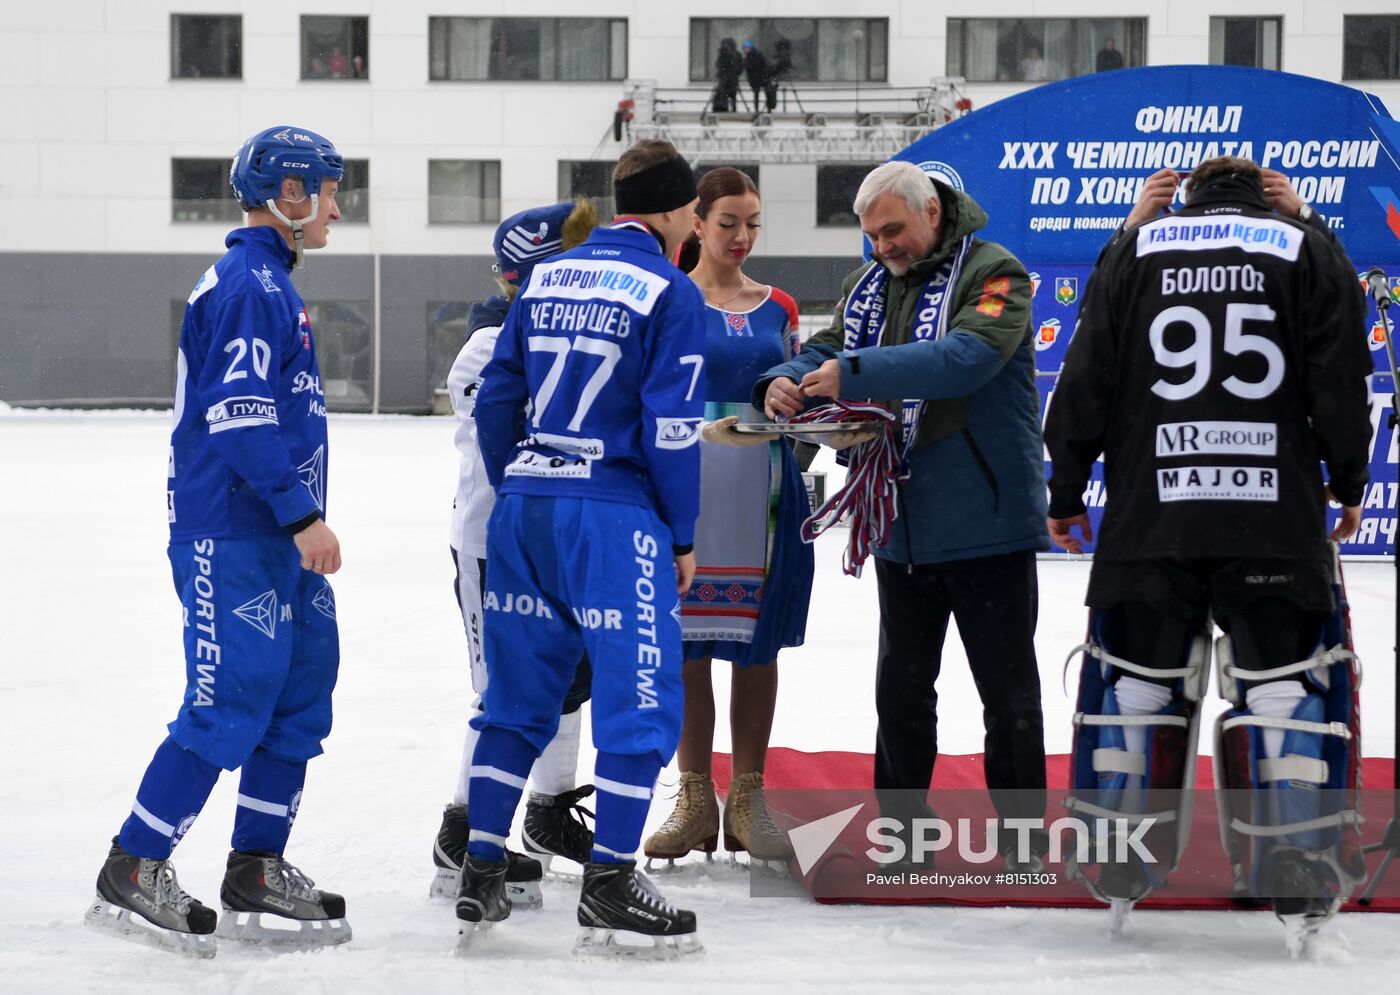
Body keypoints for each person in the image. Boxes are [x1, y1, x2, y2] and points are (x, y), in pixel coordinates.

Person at [1044, 155, 1371, 949]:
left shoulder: (1141, 248)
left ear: (1183, 197)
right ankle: (1296, 865)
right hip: (1274, 517)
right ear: (1269, 197)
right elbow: (1342, 373)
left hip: (1152, 517)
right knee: (1284, 693)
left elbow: (1082, 376)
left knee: (1137, 693)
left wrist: (1064, 487)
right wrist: (1350, 478)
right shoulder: (1301, 246)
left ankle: (1119, 860)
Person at [85, 126, 351, 957]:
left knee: (301, 689)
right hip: (233, 532)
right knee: (229, 697)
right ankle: (136, 859)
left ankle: (256, 864)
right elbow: (239, 415)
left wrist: (297, 519)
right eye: (329, 189)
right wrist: (301, 514)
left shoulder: (271, 282)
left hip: (274, 532)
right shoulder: (247, 285)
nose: (339, 206)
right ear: (290, 196)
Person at [756, 160, 1050, 871]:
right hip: (899, 523)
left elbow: (967, 357)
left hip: (986, 520)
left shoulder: (995, 270)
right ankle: (902, 834)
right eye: (871, 234)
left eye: (893, 230)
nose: (882, 245)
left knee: (1006, 693)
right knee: (901, 691)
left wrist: (856, 374)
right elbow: (829, 348)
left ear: (934, 213)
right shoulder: (871, 285)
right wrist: (782, 381)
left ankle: (1023, 841)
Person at [455, 139, 707, 958]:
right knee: (639, 699)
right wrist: (682, 531)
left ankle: (483, 864)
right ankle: (609, 880)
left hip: (525, 507)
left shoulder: (545, 276)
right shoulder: (670, 290)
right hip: (613, 512)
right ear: (676, 212)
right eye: (695, 213)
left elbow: (498, 397)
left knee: (516, 700)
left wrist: (527, 476)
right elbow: (673, 430)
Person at [431, 198, 602, 907]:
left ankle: (548, 807)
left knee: (567, 676)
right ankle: (461, 831)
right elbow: (515, 446)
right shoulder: (488, 345)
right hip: (493, 543)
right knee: (503, 691)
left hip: (555, 537)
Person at [642, 167, 814, 865]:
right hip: (686, 482)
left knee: (757, 642)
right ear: (698, 222)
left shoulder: (779, 307)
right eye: (727, 223)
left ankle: (747, 798)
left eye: (752, 224)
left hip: (763, 485)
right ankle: (692, 798)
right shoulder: (668, 298)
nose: (741, 237)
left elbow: (804, 396)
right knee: (684, 643)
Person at [712, 37, 742, 112]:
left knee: (725, 94)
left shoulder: (727, 54)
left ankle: (724, 108)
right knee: (730, 95)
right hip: (730, 79)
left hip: (727, 79)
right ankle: (727, 108)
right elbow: (740, 66)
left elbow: (718, 65)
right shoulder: (735, 54)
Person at [743, 41, 773, 112]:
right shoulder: (756, 55)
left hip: (758, 78)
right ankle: (767, 109)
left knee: (759, 94)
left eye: (746, 48)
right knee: (763, 93)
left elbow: (752, 68)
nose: (745, 50)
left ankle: (761, 109)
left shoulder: (751, 57)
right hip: (760, 78)